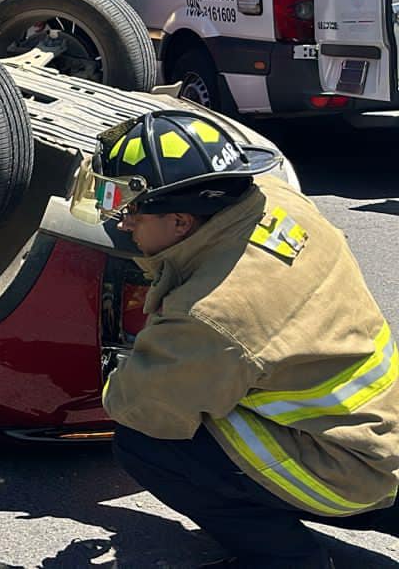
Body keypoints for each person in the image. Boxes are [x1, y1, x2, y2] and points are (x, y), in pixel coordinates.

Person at [85, 109, 399, 567]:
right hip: (382, 428)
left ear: (180, 222)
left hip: (350, 469)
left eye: (132, 210)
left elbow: (145, 406)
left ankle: (289, 559)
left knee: (144, 445)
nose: (124, 223)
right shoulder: (276, 199)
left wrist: (118, 373)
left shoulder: (213, 313)